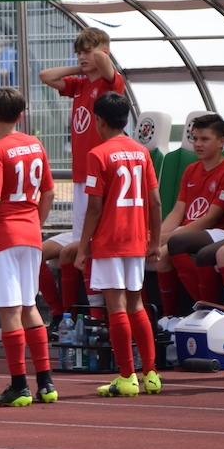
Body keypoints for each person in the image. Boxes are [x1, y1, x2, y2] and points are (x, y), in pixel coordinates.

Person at [0, 87, 58, 407]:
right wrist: (35, 222)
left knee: (9, 309)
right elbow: (49, 192)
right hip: (31, 234)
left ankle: (19, 385)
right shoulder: (35, 143)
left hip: (5, 236)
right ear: (21, 115)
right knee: (29, 306)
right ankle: (46, 383)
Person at [73, 92, 162, 398]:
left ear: (99, 120)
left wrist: (82, 247)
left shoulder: (97, 154)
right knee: (137, 304)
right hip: (136, 239)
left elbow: (94, 208)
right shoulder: (142, 152)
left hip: (110, 241)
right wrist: (154, 240)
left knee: (116, 307)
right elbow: (155, 202)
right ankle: (151, 373)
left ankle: (126, 376)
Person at [38, 27, 125, 316]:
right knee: (68, 248)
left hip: (99, 176)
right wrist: (82, 65)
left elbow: (105, 64)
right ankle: (63, 315)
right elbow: (45, 76)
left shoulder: (111, 83)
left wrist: (96, 56)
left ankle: (96, 313)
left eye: (87, 52)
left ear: (104, 52)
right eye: (78, 53)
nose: (82, 57)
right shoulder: (79, 85)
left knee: (86, 247)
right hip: (80, 176)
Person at [154, 114, 224, 324]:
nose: (198, 144)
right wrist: (158, 236)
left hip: (218, 232)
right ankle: (169, 318)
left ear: (221, 142)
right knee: (159, 253)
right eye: (195, 138)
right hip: (187, 231)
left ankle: (207, 309)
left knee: (170, 247)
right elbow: (177, 212)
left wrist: (168, 238)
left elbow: (211, 218)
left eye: (204, 139)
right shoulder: (191, 170)